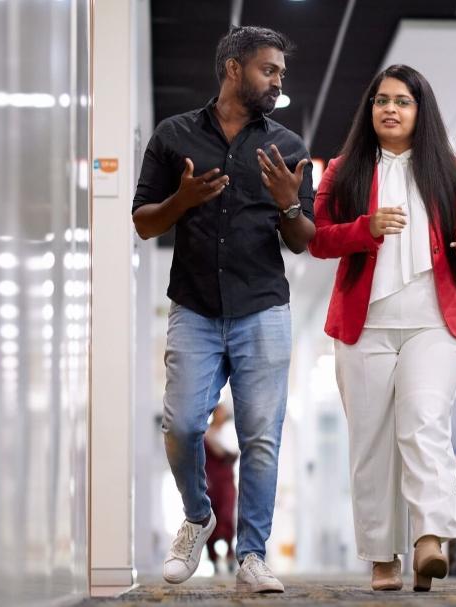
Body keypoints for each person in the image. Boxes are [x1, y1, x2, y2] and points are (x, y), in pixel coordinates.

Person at [131, 25, 315, 594]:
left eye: (281, 71)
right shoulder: (174, 134)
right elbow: (143, 222)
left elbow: (303, 240)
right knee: (182, 425)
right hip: (195, 307)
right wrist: (181, 201)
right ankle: (197, 516)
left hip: (263, 308)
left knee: (262, 436)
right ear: (233, 69)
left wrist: (289, 206)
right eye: (269, 69)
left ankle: (253, 554)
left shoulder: (286, 146)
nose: (278, 79)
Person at [308, 64, 456, 593]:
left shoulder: (444, 167)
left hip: (434, 321)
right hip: (364, 325)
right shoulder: (344, 170)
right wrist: (362, 229)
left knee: (423, 422)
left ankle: (430, 537)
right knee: (371, 443)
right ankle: (381, 558)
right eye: (382, 100)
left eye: (403, 101)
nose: (390, 108)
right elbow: (318, 238)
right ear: (370, 110)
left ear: (420, 111)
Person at [203, 403, 239, 574]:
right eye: (220, 412)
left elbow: (233, 453)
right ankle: (214, 558)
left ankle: (230, 555)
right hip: (211, 482)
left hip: (226, 482)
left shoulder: (229, 433)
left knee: (227, 517)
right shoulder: (206, 434)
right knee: (211, 520)